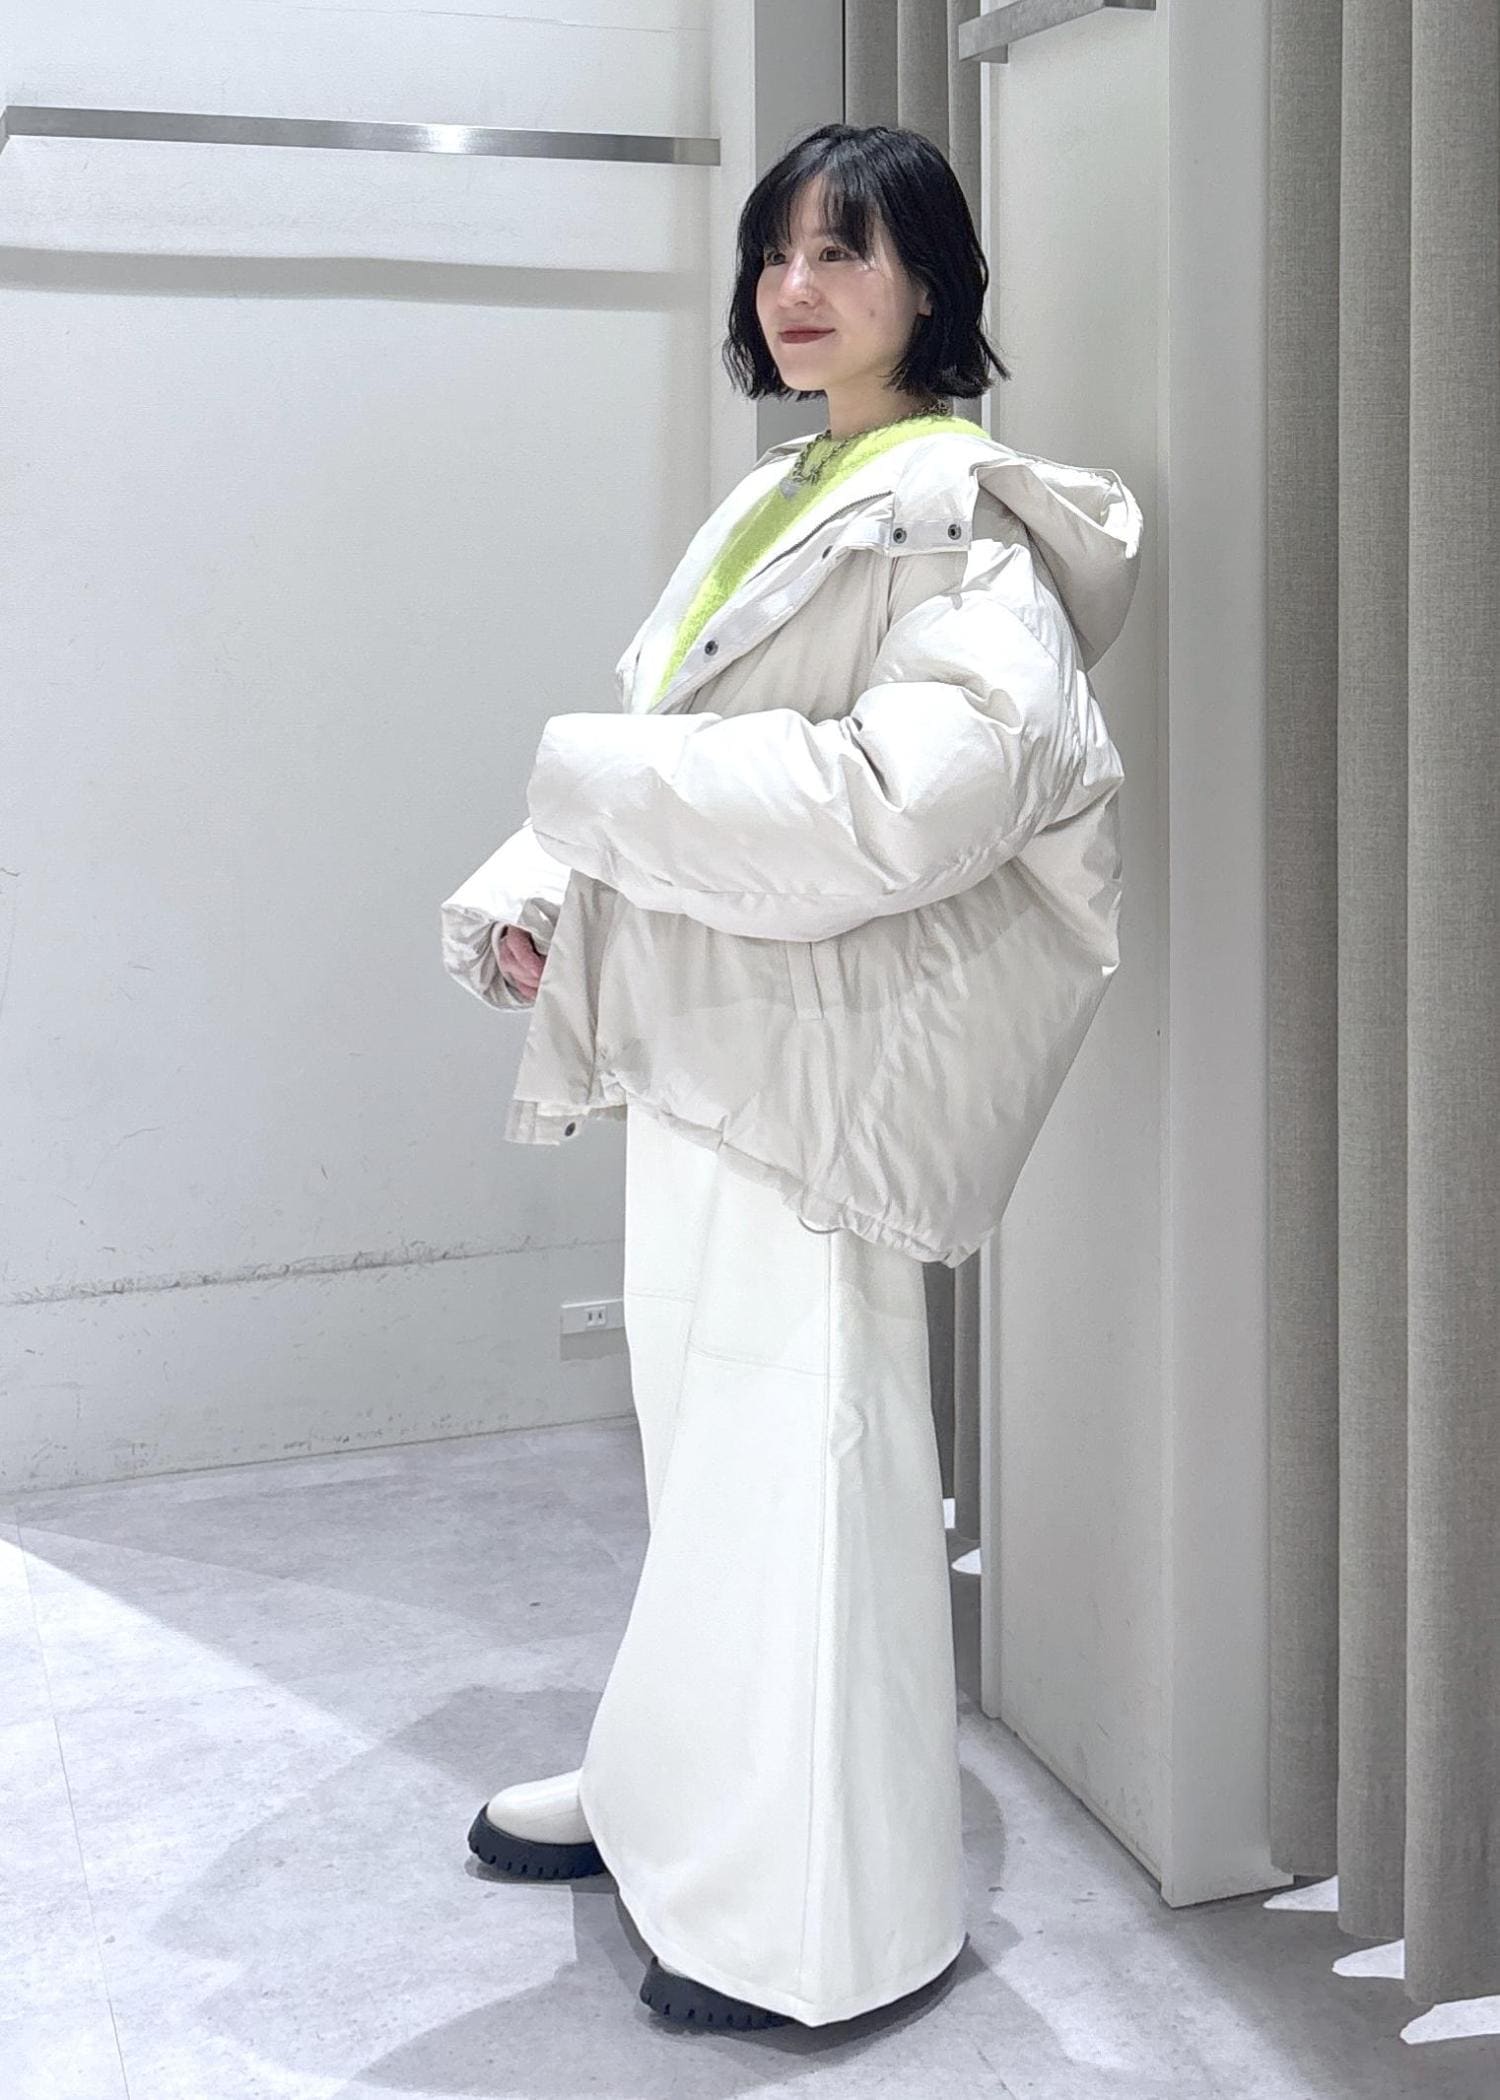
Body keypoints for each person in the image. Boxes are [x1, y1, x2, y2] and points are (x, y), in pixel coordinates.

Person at [441, 122, 1142, 2031]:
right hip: (710, 1044)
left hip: (821, 1077)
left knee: (808, 1470)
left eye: (847, 251)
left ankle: (819, 1928)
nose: (799, 288)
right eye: (776, 254)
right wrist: (541, 889)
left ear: (934, 282)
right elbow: (668, 729)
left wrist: (586, 782)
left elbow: (904, 808)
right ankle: (675, 1794)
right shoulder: (787, 489)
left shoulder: (964, 523)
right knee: (711, 1457)